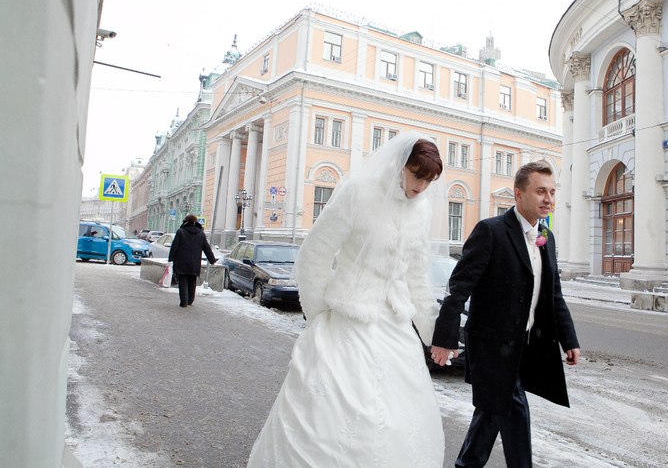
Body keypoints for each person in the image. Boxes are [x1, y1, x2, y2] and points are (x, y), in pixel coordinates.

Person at [247, 131, 446, 467]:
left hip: (394, 325)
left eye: (429, 181)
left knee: (398, 412)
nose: (421, 187)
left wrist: (433, 332)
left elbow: (416, 275)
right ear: (400, 166)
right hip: (347, 319)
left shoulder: (421, 210)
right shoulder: (359, 194)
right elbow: (315, 253)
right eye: (417, 176)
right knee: (339, 407)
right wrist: (318, 313)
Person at [431, 161, 580, 468]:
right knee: (514, 410)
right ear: (518, 194)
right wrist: (445, 338)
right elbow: (459, 289)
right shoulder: (491, 231)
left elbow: (553, 295)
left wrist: (568, 339)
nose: (548, 199)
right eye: (540, 191)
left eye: (552, 192)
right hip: (490, 348)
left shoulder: (547, 238)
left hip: (523, 349)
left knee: (490, 414)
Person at [168, 214, 217, 308]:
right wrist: (212, 260)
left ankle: (184, 302)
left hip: (181, 262)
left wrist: (171, 259)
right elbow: (207, 248)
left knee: (183, 281)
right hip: (194, 263)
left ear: (185, 221)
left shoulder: (181, 232)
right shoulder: (201, 233)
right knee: (192, 281)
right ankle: (190, 300)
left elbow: (175, 247)